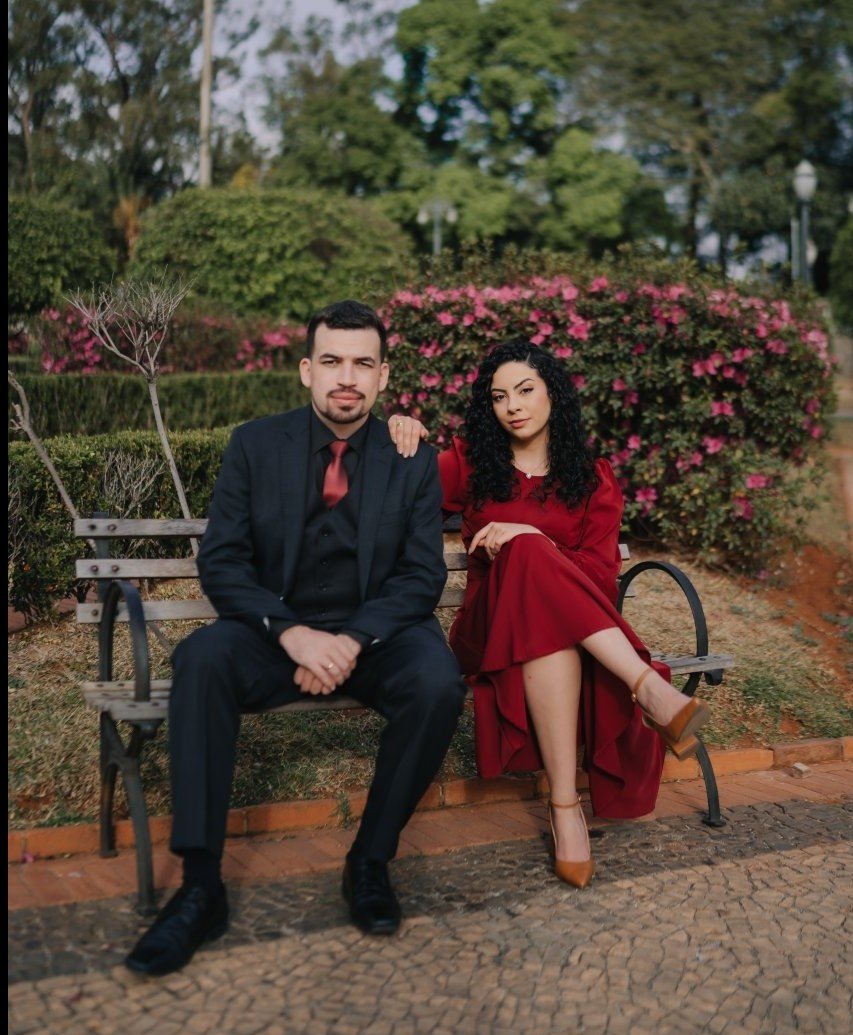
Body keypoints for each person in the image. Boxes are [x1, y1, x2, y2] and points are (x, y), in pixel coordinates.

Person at [125, 300, 465, 976]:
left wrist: (352, 640)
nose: (347, 377)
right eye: (332, 361)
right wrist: (293, 635)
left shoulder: (410, 459)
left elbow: (421, 576)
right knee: (202, 660)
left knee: (437, 683)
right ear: (307, 370)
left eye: (363, 363)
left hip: (375, 638)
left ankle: (369, 861)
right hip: (275, 632)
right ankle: (200, 886)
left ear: (383, 375)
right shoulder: (255, 444)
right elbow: (223, 561)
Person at [390, 338, 709, 888]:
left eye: (525, 390)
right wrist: (398, 431)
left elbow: (600, 576)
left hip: (561, 626)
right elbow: (390, 488)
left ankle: (565, 809)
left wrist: (531, 538)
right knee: (527, 552)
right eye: (499, 397)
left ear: (552, 394)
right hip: (487, 629)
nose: (512, 406)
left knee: (537, 579)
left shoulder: (591, 477)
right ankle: (648, 689)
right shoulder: (470, 463)